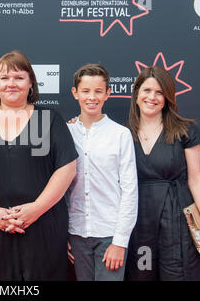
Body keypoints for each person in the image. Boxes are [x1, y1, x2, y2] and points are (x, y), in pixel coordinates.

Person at [0, 50, 78, 280]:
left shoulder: (50, 119)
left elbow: (67, 168)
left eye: (19, 77)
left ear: (31, 83)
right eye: (4, 78)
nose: (11, 83)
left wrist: (36, 209)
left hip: (44, 226)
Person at [125, 66, 200, 280]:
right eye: (147, 90)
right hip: (139, 223)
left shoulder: (185, 131)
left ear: (167, 98)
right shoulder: (122, 134)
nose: (152, 97)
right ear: (137, 94)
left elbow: (196, 181)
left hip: (178, 222)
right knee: (142, 274)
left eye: (159, 92)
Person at [66, 64, 138, 281]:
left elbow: (130, 191)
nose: (92, 97)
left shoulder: (120, 134)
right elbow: (59, 189)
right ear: (75, 93)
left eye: (98, 91)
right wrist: (63, 234)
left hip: (110, 234)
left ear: (108, 93)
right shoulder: (64, 132)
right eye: (86, 91)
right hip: (76, 234)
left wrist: (119, 241)